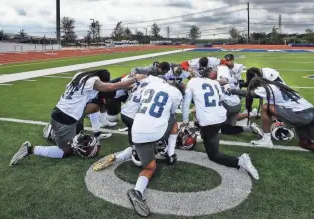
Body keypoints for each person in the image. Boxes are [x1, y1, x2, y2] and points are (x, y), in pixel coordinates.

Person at [10, 69, 146, 166]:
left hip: (62, 111)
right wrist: (134, 79)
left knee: (94, 108)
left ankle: (58, 131)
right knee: (67, 150)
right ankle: (31, 148)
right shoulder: (94, 81)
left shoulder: (80, 75)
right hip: (65, 118)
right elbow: (110, 87)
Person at [228, 77, 314, 167]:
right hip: (312, 112)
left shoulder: (265, 88)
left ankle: (267, 140)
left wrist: (231, 90)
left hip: (300, 115)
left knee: (264, 108)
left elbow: (249, 94)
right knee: (305, 144)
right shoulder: (280, 87)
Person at [181, 67, 260, 180]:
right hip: (221, 116)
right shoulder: (214, 83)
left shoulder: (192, 82)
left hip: (209, 121)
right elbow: (222, 96)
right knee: (211, 130)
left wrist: (184, 121)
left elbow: (185, 104)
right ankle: (205, 135)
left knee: (213, 155)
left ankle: (240, 161)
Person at [126, 80, 184, 217]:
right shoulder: (176, 93)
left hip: (137, 131)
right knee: (173, 119)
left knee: (149, 168)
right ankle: (170, 154)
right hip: (155, 132)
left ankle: (137, 191)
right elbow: (171, 111)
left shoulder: (152, 84)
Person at [91, 72, 169, 171]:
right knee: (154, 137)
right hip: (137, 117)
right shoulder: (161, 85)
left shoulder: (142, 80)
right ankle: (137, 153)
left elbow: (122, 88)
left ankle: (121, 156)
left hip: (125, 114)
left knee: (134, 142)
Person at [215, 65, 263, 137]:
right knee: (228, 128)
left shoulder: (221, 74)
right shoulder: (233, 77)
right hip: (236, 104)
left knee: (215, 127)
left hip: (227, 104)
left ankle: (251, 118)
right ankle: (250, 127)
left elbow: (224, 81)